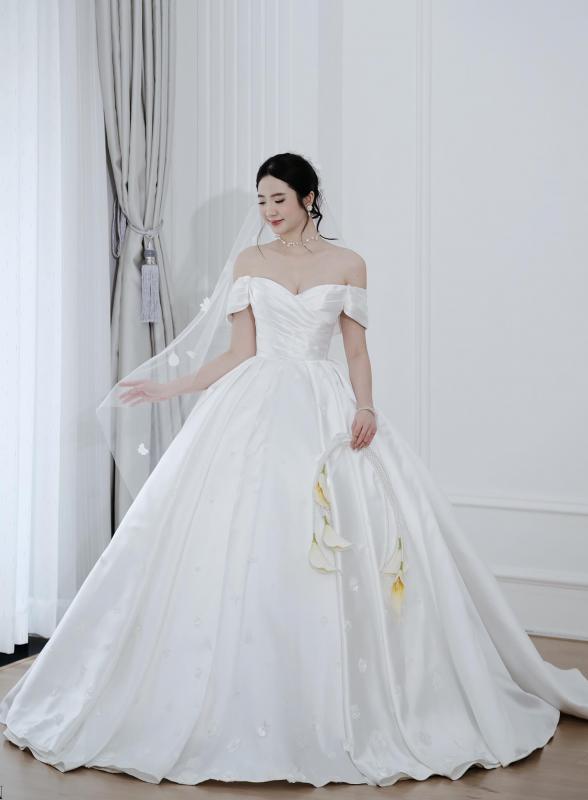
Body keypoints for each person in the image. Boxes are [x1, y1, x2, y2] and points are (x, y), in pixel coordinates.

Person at [1, 153, 587, 788]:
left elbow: (356, 351)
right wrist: (170, 386)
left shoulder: (348, 263)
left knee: (340, 533)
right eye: (261, 201)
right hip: (253, 405)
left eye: (278, 199)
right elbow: (239, 351)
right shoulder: (250, 262)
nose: (268, 212)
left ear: (309, 197)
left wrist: (366, 407)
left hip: (325, 406)